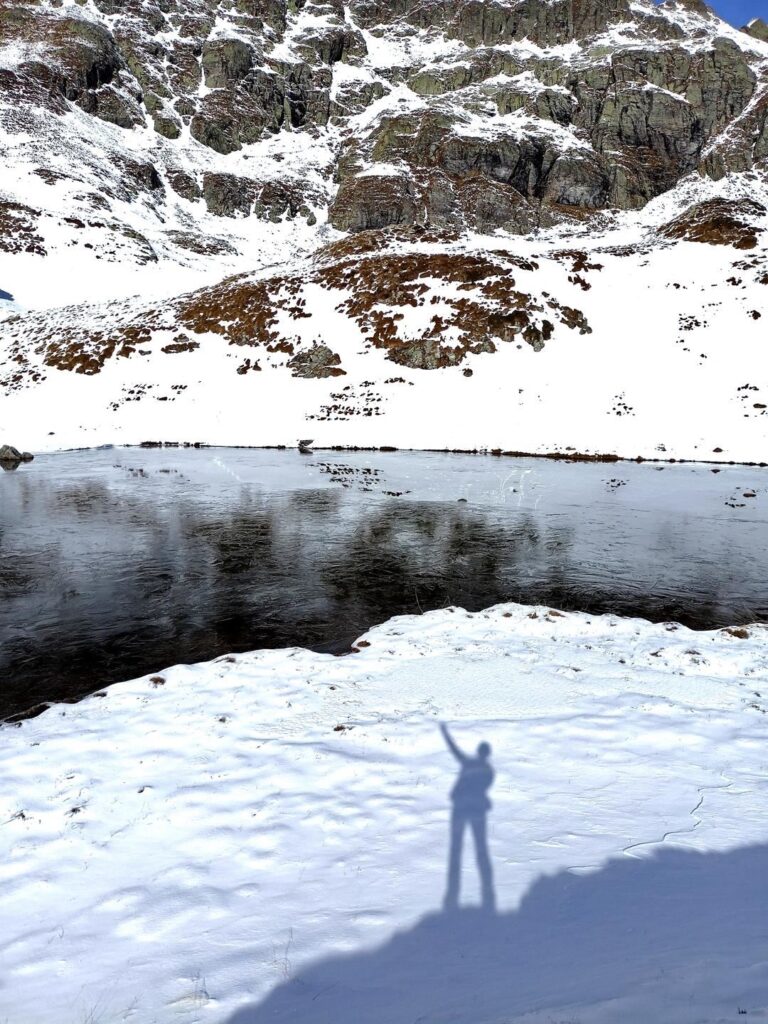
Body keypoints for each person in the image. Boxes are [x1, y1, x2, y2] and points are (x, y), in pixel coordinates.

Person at [440, 722, 496, 912]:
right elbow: (483, 788)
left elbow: (454, 750)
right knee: (480, 849)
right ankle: (487, 889)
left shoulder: (468, 763)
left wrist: (445, 733)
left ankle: (452, 895)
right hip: (477, 811)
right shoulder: (489, 771)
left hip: (461, 809)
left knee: (456, 849)